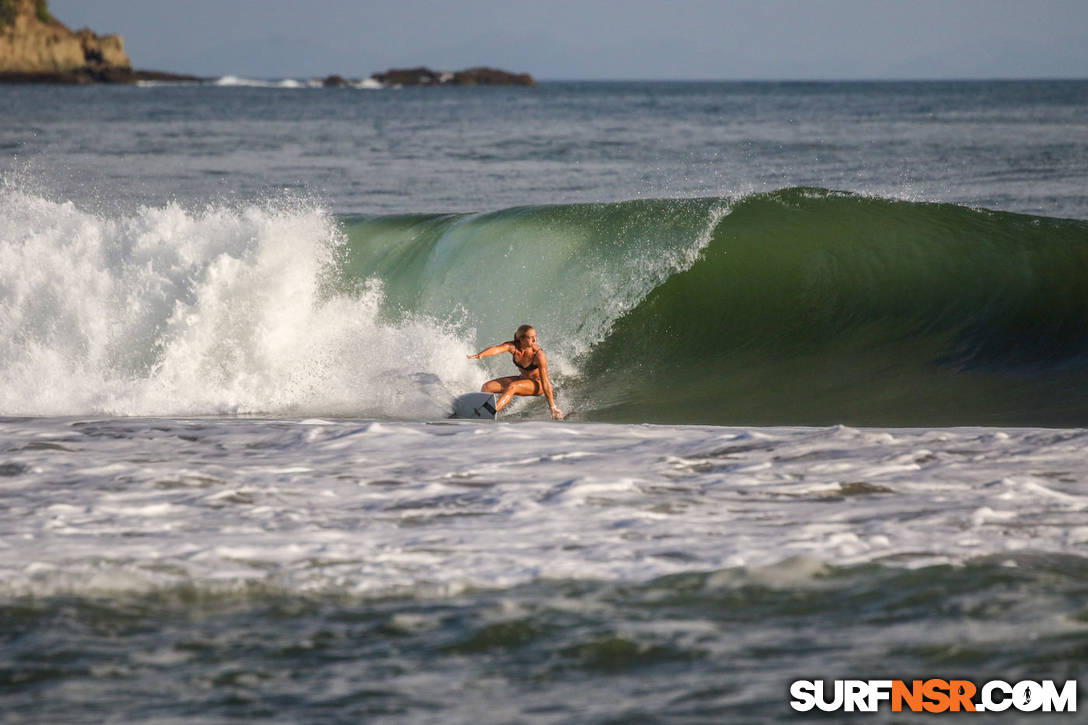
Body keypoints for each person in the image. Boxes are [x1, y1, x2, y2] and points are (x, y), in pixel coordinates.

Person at [467, 324, 564, 419]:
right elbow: (496, 349)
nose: (535, 340)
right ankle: (480, 410)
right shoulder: (513, 347)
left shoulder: (538, 355)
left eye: (535, 337)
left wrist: (553, 407)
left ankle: (490, 412)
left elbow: (546, 382)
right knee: (487, 387)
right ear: (521, 339)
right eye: (531, 338)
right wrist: (481, 354)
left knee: (512, 386)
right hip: (522, 379)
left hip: (537, 384)